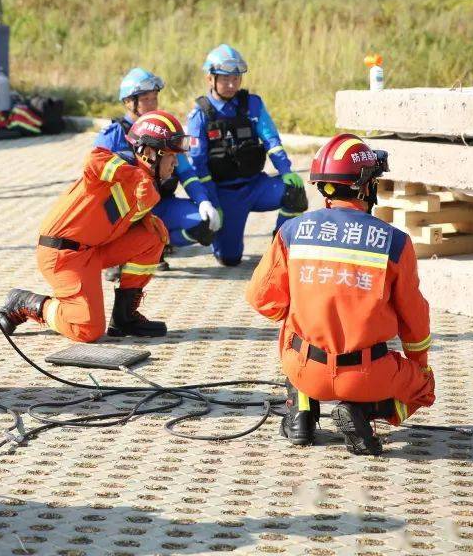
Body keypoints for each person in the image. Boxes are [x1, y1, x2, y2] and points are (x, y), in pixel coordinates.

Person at [246, 134, 435, 455]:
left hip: (304, 368)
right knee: (424, 389)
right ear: (364, 186)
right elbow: (414, 323)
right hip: (367, 374)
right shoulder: (395, 242)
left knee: (291, 323)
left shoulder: (292, 231)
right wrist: (419, 368)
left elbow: (263, 300)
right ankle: (364, 411)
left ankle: (300, 410)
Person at [0, 111, 189, 341]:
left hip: (91, 250)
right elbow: (93, 160)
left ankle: (125, 317)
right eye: (171, 156)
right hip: (62, 253)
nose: (175, 163)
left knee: (154, 233)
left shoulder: (149, 187)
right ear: (149, 153)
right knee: (88, 330)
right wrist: (136, 177)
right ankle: (26, 303)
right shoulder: (120, 166)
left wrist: (143, 216)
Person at [185, 44, 308, 266]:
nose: (232, 85)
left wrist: (286, 170)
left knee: (295, 193)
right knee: (230, 259)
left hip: (255, 186)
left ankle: (280, 250)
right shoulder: (199, 116)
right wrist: (213, 203)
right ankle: (220, 240)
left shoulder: (252, 104)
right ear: (209, 79)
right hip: (225, 195)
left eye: (236, 78)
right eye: (225, 79)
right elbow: (198, 166)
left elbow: (271, 140)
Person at [94, 68, 222, 277]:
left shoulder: (166, 130)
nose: (152, 104)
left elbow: (187, 173)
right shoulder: (113, 134)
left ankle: (157, 246)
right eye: (146, 99)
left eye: (155, 98)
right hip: (126, 212)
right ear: (128, 102)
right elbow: (95, 179)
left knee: (204, 225)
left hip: (161, 205)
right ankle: (115, 255)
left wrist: (203, 202)